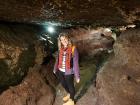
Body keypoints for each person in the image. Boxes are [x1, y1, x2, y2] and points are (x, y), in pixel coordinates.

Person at [53, 32, 80, 105]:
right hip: (60, 70)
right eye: (61, 40)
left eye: (65, 39)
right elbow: (57, 60)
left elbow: (75, 63)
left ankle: (72, 100)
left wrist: (77, 76)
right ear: (60, 41)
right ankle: (69, 94)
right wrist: (55, 68)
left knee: (70, 85)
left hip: (69, 71)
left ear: (68, 39)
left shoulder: (73, 49)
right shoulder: (60, 49)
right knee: (63, 84)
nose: (63, 41)